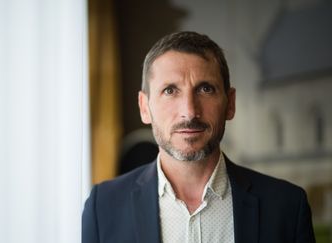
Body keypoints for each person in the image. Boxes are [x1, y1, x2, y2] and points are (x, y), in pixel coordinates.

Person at [82, 31, 315, 243]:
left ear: (230, 104)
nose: (189, 111)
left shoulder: (287, 207)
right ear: (144, 107)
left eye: (205, 89)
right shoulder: (103, 207)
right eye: (170, 91)